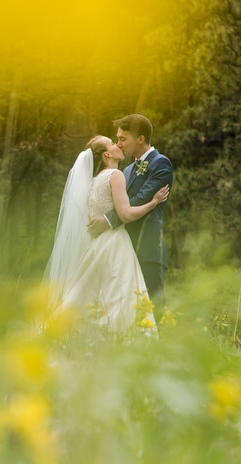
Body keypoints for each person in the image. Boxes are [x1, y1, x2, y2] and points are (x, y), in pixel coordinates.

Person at [44, 135, 168, 333]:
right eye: (112, 142)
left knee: (92, 295)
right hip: (115, 243)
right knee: (119, 296)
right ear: (107, 154)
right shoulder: (115, 175)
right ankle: (121, 338)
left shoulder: (93, 182)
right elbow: (125, 214)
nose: (118, 144)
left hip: (96, 246)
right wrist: (153, 203)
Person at [88, 114, 173, 305]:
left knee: (152, 309)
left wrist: (107, 220)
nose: (119, 144)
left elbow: (140, 199)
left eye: (122, 139)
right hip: (122, 250)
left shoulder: (161, 163)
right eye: (117, 139)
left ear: (140, 139)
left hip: (147, 249)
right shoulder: (125, 170)